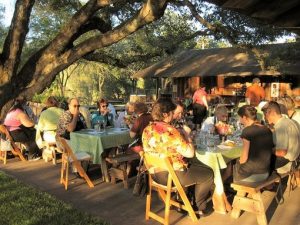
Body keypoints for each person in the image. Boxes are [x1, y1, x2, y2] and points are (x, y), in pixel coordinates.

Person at [142, 98, 214, 215]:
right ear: (165, 114)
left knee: (195, 168)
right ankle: (198, 206)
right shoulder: (170, 130)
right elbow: (190, 153)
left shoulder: (147, 129)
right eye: (172, 112)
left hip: (154, 174)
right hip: (171, 176)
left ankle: (182, 200)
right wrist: (187, 135)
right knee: (208, 173)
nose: (173, 115)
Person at [234, 105, 274, 182]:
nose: (239, 120)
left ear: (245, 117)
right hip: (265, 172)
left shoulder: (247, 131)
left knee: (231, 168)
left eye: (240, 117)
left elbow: (244, 158)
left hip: (251, 174)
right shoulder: (267, 129)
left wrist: (238, 162)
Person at [263, 101, 300, 174]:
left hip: (286, 163)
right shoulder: (291, 121)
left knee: (254, 164)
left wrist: (266, 150)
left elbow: (282, 152)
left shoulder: (281, 126)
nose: (265, 117)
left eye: (266, 114)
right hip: (295, 160)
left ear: (272, 112)